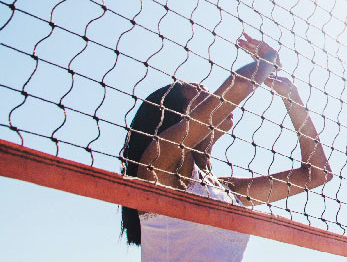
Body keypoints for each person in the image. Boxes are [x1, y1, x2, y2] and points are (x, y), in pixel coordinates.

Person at [119, 32, 333, 262]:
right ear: (177, 119)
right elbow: (238, 86)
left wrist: (292, 97)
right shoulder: (158, 165)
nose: (211, 95)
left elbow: (317, 174)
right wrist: (269, 60)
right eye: (200, 94)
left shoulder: (226, 190)